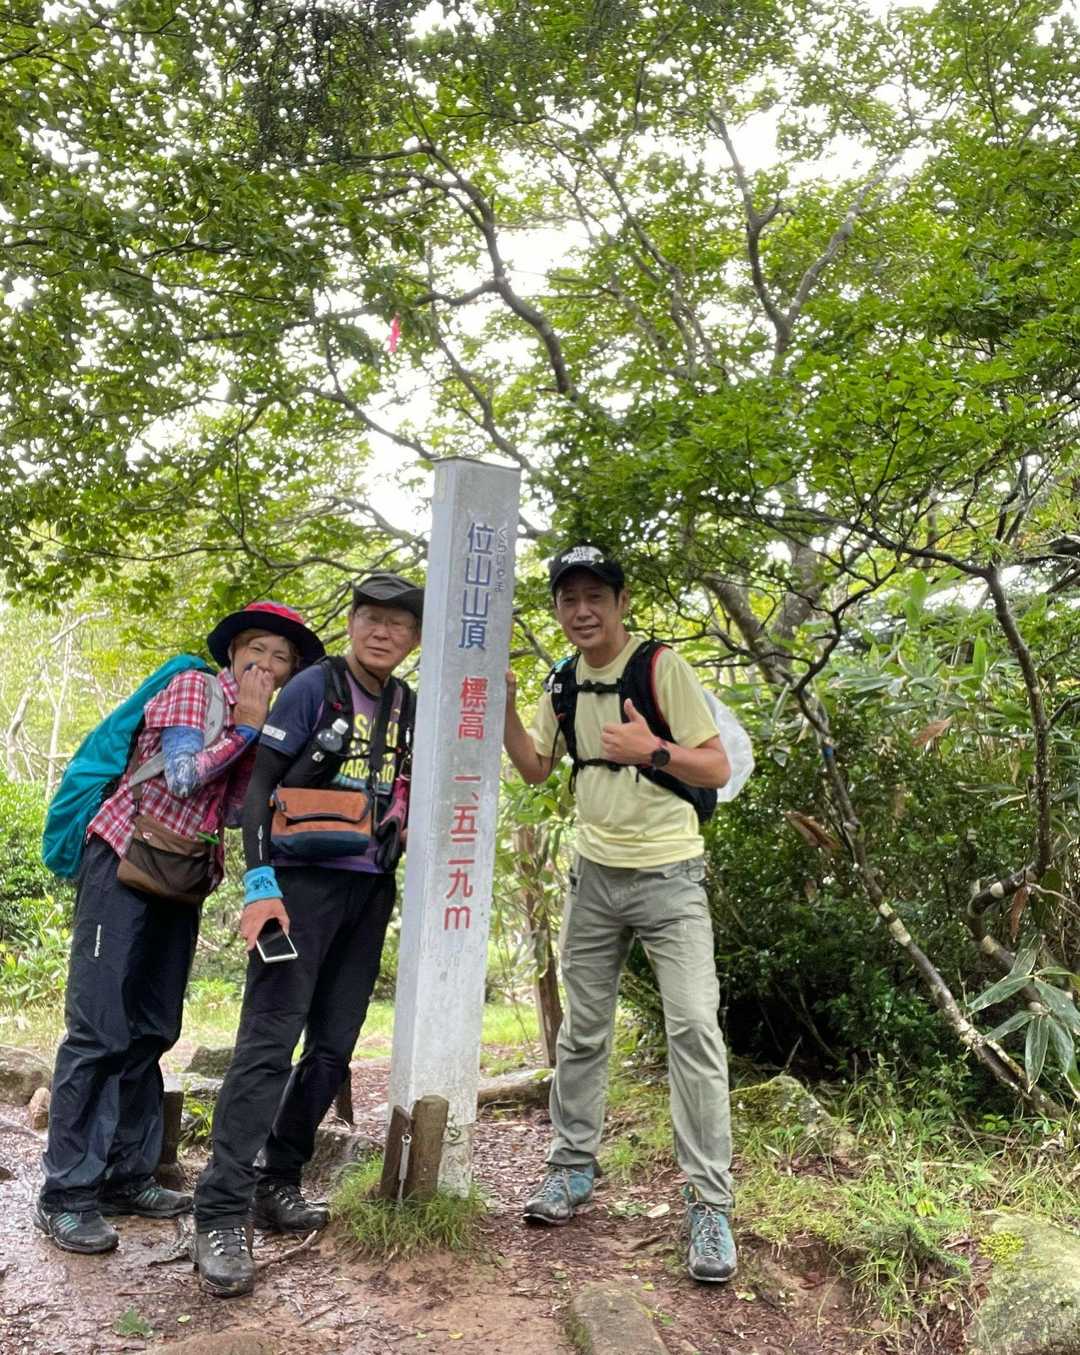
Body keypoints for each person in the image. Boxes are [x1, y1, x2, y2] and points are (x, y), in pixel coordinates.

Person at [36, 602, 325, 1256]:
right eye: (257, 650)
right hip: (122, 858)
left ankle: (126, 1174)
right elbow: (183, 773)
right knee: (98, 1028)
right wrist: (246, 729)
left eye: (281, 658)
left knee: (153, 1026)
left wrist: (266, 749)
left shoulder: (260, 720)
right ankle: (65, 1195)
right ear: (234, 652)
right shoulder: (196, 688)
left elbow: (229, 809)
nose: (266, 665)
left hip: (181, 874)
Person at [502, 544, 738, 1284]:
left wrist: (652, 750)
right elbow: (537, 768)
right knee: (583, 1030)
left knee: (694, 1028)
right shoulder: (563, 681)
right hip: (595, 877)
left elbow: (717, 766)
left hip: (671, 878)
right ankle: (570, 1167)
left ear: (620, 601)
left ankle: (709, 1204)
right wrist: (506, 709)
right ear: (558, 608)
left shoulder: (661, 667)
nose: (582, 611)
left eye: (595, 597)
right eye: (568, 599)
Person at [193, 571, 423, 1298]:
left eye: (398, 622)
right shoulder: (312, 688)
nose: (382, 631)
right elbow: (260, 784)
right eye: (371, 617)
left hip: (368, 889)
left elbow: (411, 783)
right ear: (351, 623)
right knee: (268, 1044)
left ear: (415, 638)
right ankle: (220, 1212)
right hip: (297, 885)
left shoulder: (407, 704)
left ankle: (278, 1178)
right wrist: (259, 884)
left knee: (333, 1047)